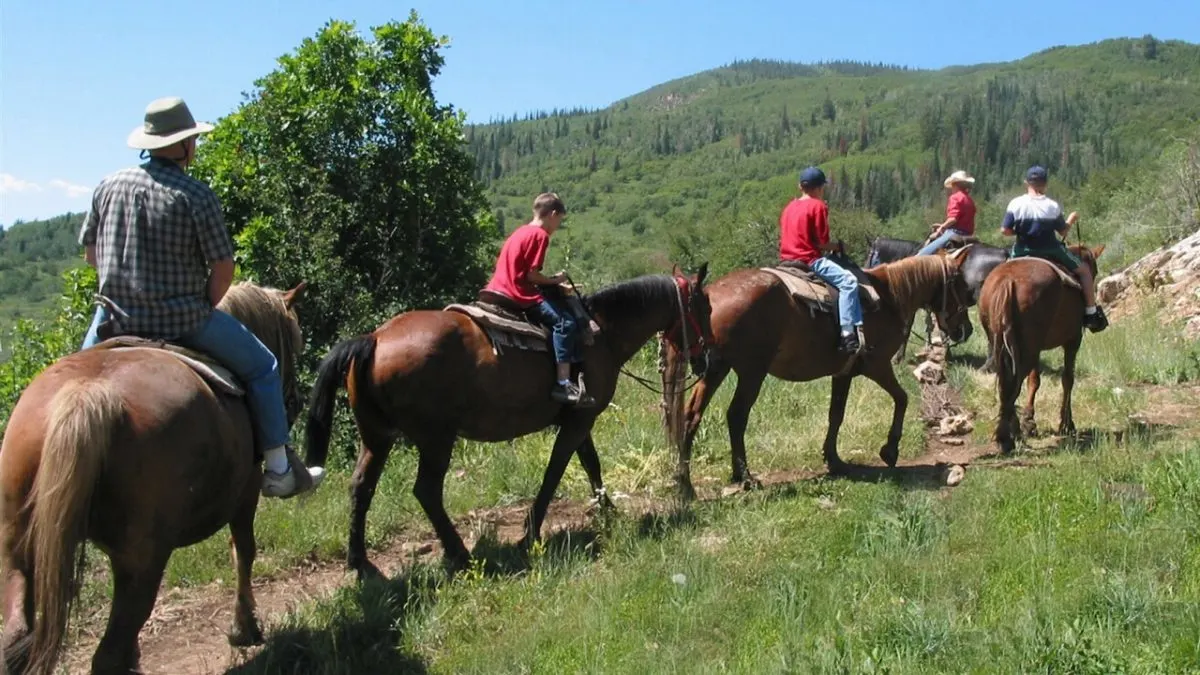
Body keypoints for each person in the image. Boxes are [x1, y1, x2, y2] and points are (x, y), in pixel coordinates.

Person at [78, 96, 325, 498]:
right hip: (182, 319)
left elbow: (91, 255)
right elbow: (223, 267)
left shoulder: (108, 185)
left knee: (66, 378)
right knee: (264, 366)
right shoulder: (195, 194)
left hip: (113, 319)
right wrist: (203, 306)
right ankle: (279, 468)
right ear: (184, 145)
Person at [483, 192, 594, 406]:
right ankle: (563, 382)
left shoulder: (520, 231)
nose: (557, 226)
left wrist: (553, 283)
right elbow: (530, 276)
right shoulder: (540, 236)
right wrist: (556, 280)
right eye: (559, 220)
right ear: (553, 214)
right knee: (565, 323)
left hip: (497, 287)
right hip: (518, 292)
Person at [1001, 165, 1108, 332]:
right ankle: (1091, 313)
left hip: (1021, 250)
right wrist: (1071, 219)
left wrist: (1021, 231)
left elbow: (1005, 231)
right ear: (1045, 185)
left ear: (1026, 183)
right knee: (1085, 271)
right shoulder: (1052, 205)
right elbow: (1063, 231)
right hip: (1051, 249)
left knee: (1000, 275)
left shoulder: (1016, 203)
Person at [779, 166, 865, 353]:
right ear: (819, 188)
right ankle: (848, 334)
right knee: (849, 282)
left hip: (786, 259)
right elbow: (822, 243)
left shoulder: (789, 207)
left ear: (800, 186)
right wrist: (840, 247)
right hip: (809, 259)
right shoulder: (818, 206)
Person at [918, 170, 977, 256]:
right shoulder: (969, 200)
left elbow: (953, 219)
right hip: (969, 234)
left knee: (921, 255)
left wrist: (942, 227)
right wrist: (944, 224)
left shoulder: (955, 197)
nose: (951, 188)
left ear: (955, 185)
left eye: (952, 185)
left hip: (955, 233)